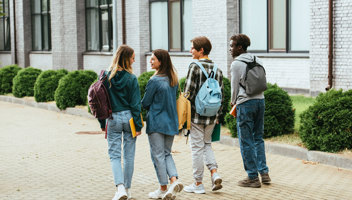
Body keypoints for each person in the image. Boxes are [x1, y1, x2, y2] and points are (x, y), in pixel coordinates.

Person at [99, 45, 143, 200]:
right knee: (129, 155)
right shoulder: (132, 79)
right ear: (126, 59)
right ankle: (128, 190)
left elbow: (99, 101)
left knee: (115, 156)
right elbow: (136, 105)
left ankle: (120, 188)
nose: (134, 60)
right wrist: (138, 125)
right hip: (129, 118)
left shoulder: (106, 76)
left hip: (113, 118)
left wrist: (102, 123)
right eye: (132, 57)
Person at [183, 36, 224, 194]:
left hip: (196, 116)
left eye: (193, 48)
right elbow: (222, 95)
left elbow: (188, 93)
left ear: (201, 50)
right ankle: (214, 173)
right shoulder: (217, 69)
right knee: (207, 144)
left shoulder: (195, 66)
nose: (190, 51)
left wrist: (184, 115)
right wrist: (219, 116)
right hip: (212, 115)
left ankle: (198, 183)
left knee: (197, 148)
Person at [229, 33, 271, 188]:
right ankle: (264, 173)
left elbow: (234, 86)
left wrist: (233, 102)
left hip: (245, 103)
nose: (230, 49)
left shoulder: (236, 64)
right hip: (260, 100)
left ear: (240, 47)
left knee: (246, 140)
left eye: (232, 46)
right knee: (258, 138)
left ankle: (252, 177)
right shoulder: (256, 59)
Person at [141, 49, 183, 200]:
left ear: (161, 61)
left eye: (153, 59)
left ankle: (163, 188)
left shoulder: (154, 81)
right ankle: (174, 181)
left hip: (157, 122)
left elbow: (145, 103)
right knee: (166, 154)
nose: (150, 61)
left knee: (157, 155)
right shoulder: (173, 79)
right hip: (171, 122)